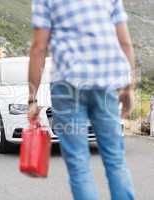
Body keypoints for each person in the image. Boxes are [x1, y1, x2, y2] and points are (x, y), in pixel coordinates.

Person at [28, 0, 135, 199]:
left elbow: (39, 48)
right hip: (106, 82)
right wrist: (129, 88)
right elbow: (125, 42)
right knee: (115, 159)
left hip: (67, 84)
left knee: (78, 163)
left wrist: (32, 99)